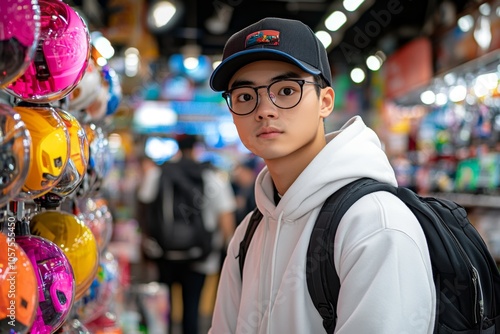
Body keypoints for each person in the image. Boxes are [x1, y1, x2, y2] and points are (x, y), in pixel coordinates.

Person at [207, 17, 436, 333]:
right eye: (245, 96)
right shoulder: (250, 232)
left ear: (325, 102)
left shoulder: (374, 223)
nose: (264, 110)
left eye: (286, 90)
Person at [138, 135, 236, 334]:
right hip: (200, 255)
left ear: (178, 150)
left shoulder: (157, 174)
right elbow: (226, 218)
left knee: (162, 310)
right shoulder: (212, 177)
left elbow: (144, 208)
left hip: (163, 252)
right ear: (197, 149)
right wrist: (229, 250)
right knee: (192, 308)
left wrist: (146, 244)